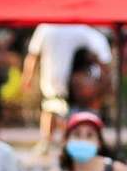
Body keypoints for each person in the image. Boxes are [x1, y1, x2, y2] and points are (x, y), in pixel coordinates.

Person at [25, 22, 114, 153]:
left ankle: (50, 142)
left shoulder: (86, 33)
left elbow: (32, 56)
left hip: (67, 93)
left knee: (53, 111)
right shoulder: (49, 28)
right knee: (52, 111)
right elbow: (105, 63)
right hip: (62, 92)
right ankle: (48, 142)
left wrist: (27, 78)